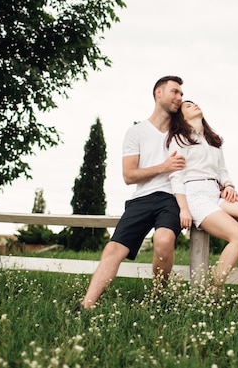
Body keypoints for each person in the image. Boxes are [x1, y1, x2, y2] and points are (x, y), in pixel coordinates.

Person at [79, 76, 185, 310]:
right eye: (175, 92)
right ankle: (86, 305)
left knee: (164, 240)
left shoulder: (182, 133)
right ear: (159, 93)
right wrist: (163, 167)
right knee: (113, 248)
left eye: (181, 94)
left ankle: (158, 297)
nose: (179, 98)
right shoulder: (136, 132)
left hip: (170, 198)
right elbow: (129, 175)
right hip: (141, 199)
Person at [167, 100, 238, 300]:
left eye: (194, 103)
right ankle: (214, 290)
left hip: (215, 192)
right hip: (194, 194)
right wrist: (183, 208)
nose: (194, 105)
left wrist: (228, 186)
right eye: (187, 106)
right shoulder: (179, 139)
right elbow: (175, 176)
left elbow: (222, 171)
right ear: (181, 117)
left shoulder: (213, 140)